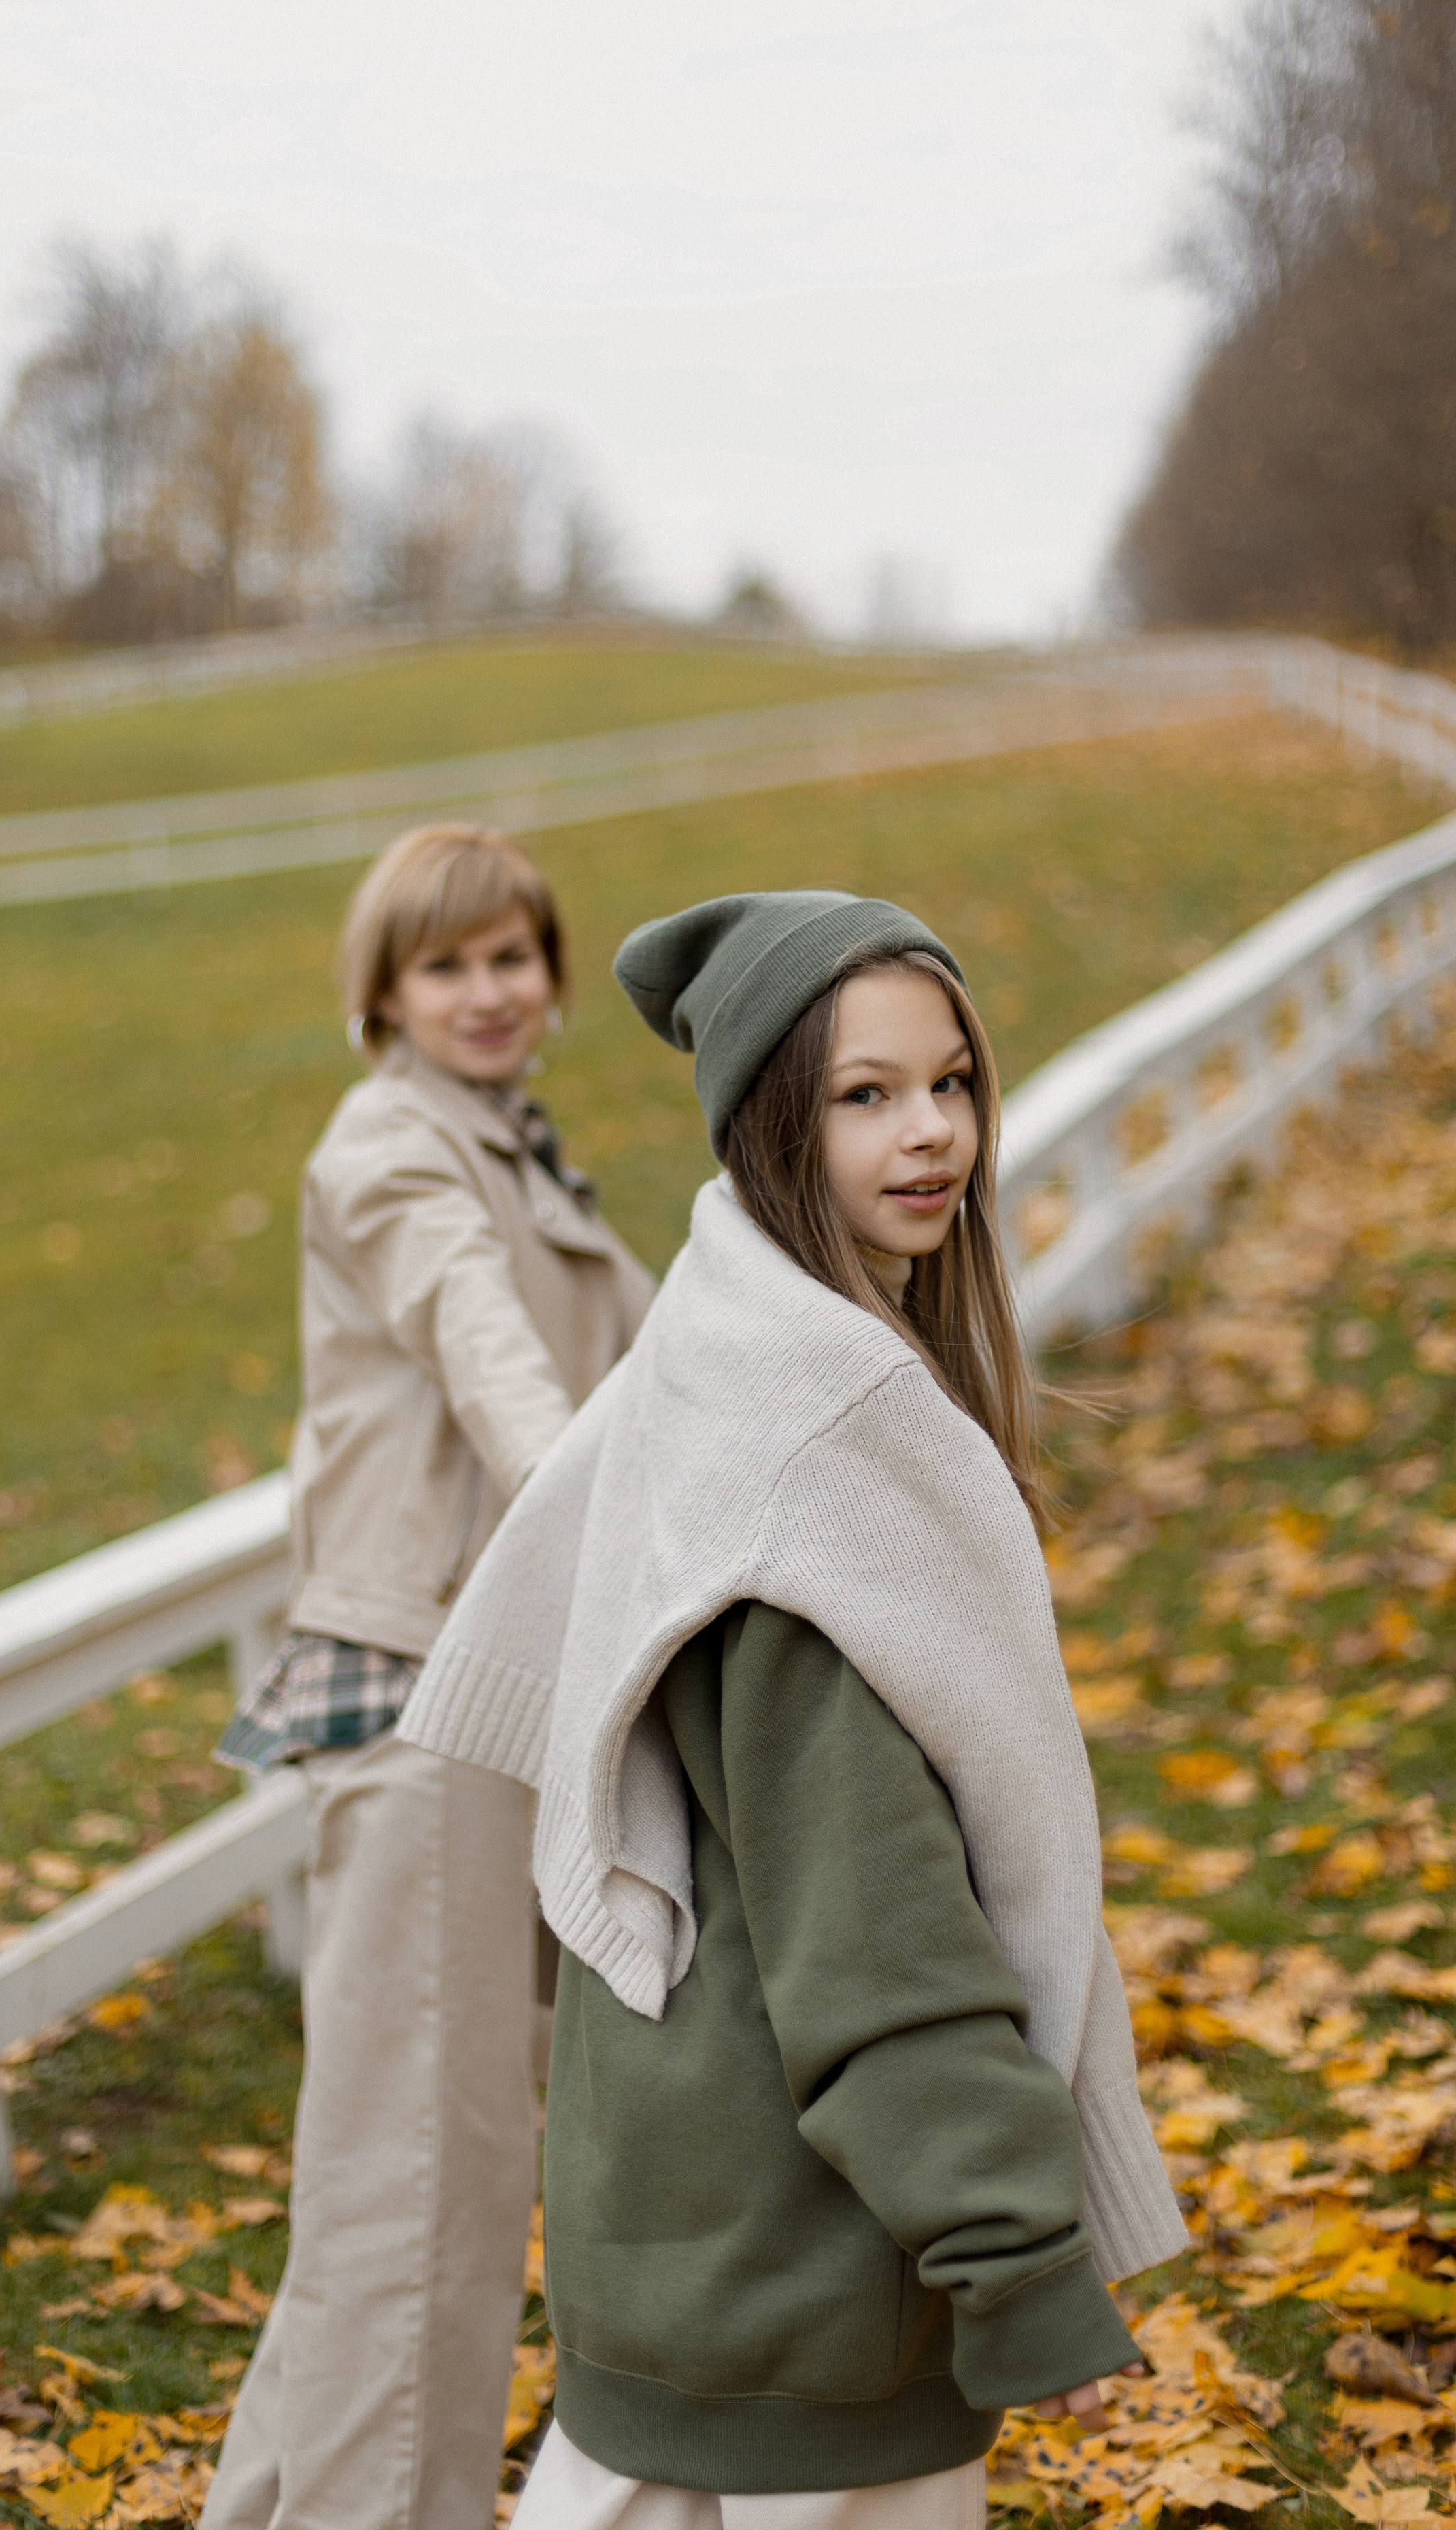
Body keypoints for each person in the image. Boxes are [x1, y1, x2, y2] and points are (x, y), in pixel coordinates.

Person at [397, 890, 1185, 2530]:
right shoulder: (812, 1465)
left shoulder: (707, 1360)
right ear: (767, 1121)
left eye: (949, 1081)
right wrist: (1015, 2258)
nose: (931, 1132)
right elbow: (872, 1935)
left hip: (674, 2224)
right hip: (812, 2262)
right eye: (862, 1094)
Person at [203, 824, 655, 2530]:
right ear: (384, 992)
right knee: (419, 2191)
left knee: (394, 2181)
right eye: (444, 964)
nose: (486, 992)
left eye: (510, 957)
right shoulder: (392, 1146)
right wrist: (578, 1506)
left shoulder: (521, 1153)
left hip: (503, 1684)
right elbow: (478, 1335)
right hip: (427, 1692)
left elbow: (652, 1365)